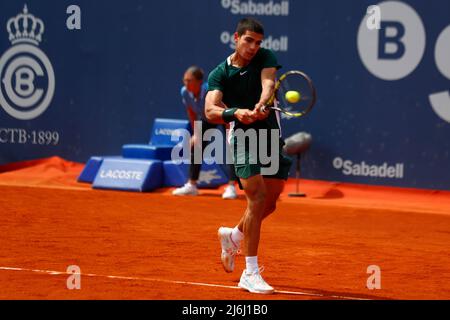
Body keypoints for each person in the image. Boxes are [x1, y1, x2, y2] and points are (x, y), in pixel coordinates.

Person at [205, 18, 292, 294]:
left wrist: (262, 103)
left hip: (269, 134)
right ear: (236, 38)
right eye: (248, 40)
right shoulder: (220, 73)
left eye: (258, 42)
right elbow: (210, 110)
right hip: (242, 137)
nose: (254, 47)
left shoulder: (265, 57)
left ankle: (233, 235)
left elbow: (268, 83)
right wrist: (236, 113)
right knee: (256, 197)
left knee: (270, 203)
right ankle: (250, 272)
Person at [172, 66, 238, 199]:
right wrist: (196, 133)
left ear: (199, 82)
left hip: (224, 116)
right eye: (184, 80)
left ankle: (231, 187)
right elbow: (191, 111)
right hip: (206, 118)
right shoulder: (185, 92)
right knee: (196, 147)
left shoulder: (211, 91)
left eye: (189, 80)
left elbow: (224, 109)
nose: (186, 83)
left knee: (232, 149)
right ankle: (192, 185)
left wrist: (229, 132)